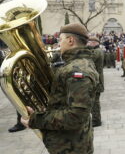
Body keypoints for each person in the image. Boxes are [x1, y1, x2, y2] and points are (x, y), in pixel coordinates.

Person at [21, 23, 99, 154]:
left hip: (70, 147)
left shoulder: (78, 70)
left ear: (70, 40)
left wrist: (37, 119)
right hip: (68, 143)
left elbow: (76, 117)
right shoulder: (73, 65)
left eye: (60, 39)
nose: (58, 44)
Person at [87, 36, 104, 127]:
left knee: (95, 102)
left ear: (95, 42)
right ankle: (96, 118)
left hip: (97, 81)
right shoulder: (96, 51)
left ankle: (96, 120)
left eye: (89, 42)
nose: (88, 44)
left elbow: (89, 59)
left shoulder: (97, 51)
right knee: (94, 101)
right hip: (96, 79)